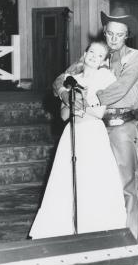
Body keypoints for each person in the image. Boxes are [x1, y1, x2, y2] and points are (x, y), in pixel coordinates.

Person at [53, 6, 138, 251]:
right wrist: (68, 94)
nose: (114, 39)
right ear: (105, 32)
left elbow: (119, 89)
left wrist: (86, 97)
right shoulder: (98, 54)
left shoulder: (135, 57)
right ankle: (107, 243)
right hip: (95, 129)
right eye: (109, 34)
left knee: (128, 187)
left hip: (121, 128)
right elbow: (60, 79)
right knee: (99, 187)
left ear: (127, 35)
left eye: (119, 35)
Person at [29, 41, 127, 239]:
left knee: (93, 181)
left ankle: (95, 226)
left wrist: (79, 108)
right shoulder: (71, 78)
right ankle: (65, 228)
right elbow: (64, 115)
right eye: (91, 52)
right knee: (67, 180)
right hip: (72, 134)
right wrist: (73, 105)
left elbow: (99, 113)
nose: (94, 57)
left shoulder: (105, 77)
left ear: (104, 61)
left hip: (92, 134)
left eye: (99, 55)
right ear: (84, 53)